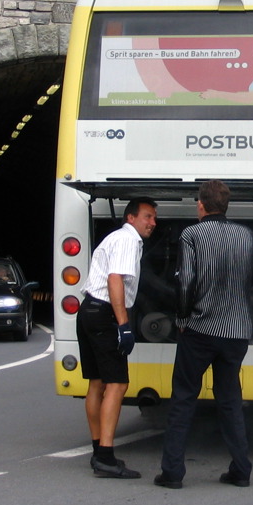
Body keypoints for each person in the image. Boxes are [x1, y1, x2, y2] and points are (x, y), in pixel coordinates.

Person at [155, 180, 253, 489]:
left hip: (199, 329)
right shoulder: (246, 236)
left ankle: (173, 473)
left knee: (184, 398)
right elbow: (249, 283)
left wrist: (183, 317)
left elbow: (185, 282)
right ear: (226, 205)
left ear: (200, 204)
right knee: (230, 400)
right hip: (237, 331)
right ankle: (241, 470)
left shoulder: (192, 235)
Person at [77, 196, 157, 479]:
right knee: (118, 384)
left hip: (88, 310)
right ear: (131, 218)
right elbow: (115, 279)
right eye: (147, 216)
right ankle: (106, 457)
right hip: (105, 315)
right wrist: (123, 324)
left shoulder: (116, 238)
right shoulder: (126, 240)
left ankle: (98, 451)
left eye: (154, 218)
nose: (153, 223)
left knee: (96, 383)